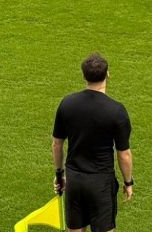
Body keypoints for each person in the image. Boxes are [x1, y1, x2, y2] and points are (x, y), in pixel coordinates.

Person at [53, 53, 133, 232]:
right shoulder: (116, 111)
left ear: (84, 76)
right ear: (107, 74)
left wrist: (59, 174)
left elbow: (57, 144)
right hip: (100, 182)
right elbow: (124, 154)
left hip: (74, 179)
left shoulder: (67, 103)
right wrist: (128, 182)